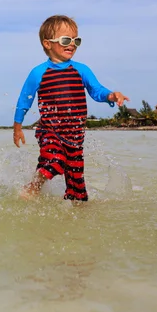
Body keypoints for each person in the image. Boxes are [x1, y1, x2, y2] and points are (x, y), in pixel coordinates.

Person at [13, 15, 129, 202]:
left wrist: (110, 95)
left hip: (75, 136)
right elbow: (24, 100)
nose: (72, 44)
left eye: (76, 40)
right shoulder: (39, 72)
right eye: (66, 40)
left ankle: (77, 220)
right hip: (49, 131)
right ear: (48, 44)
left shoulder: (81, 70)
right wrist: (17, 127)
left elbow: (96, 90)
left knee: (78, 190)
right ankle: (33, 187)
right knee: (55, 161)